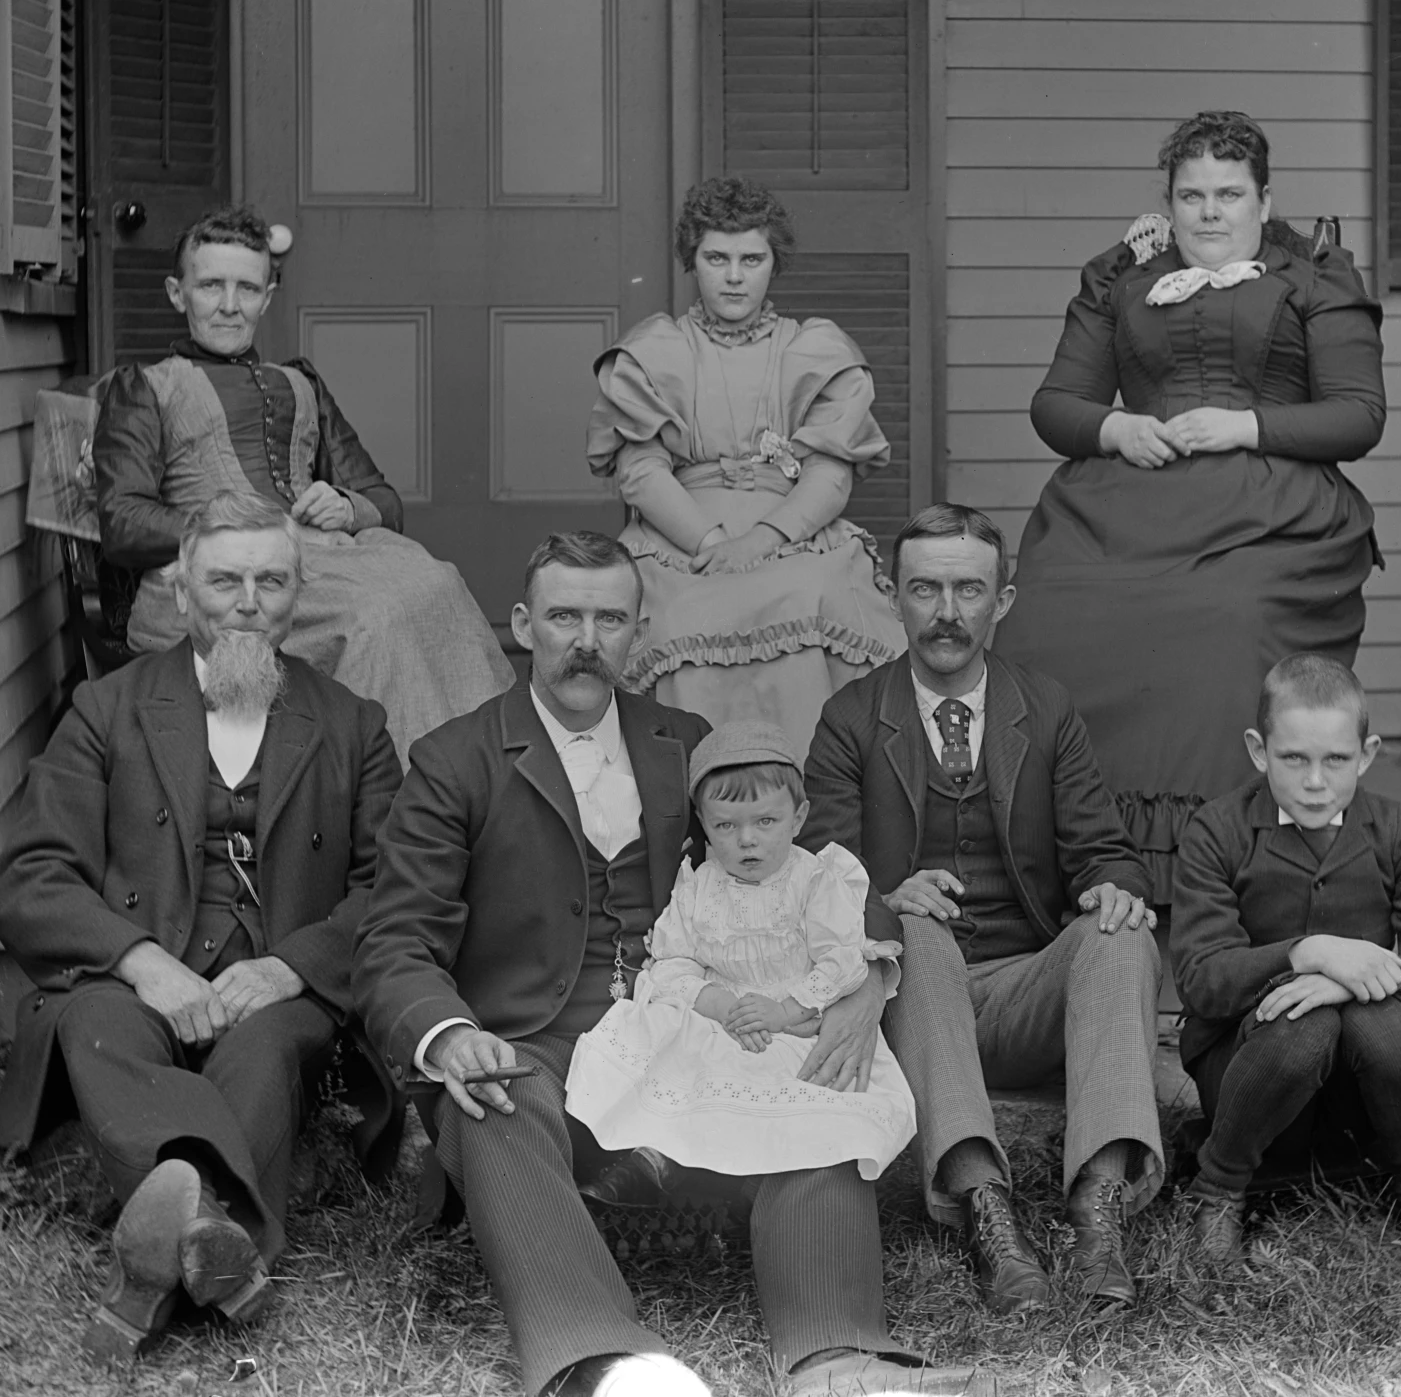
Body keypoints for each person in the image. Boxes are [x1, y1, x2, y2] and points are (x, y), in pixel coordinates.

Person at [354, 532, 992, 1397]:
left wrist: (868, 981)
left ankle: (833, 1356)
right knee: (492, 1094)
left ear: (637, 631)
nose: (587, 638)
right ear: (521, 624)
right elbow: (396, 940)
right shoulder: (454, 759)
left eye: (610, 617)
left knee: (820, 1075)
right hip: (538, 1040)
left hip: (689, 1032)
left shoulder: (684, 743)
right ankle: (606, 1360)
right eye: (564, 615)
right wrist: (450, 1032)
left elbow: (809, 874)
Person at [0, 491, 404, 1367]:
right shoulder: (109, 709)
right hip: (138, 976)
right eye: (224, 580)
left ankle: (164, 1247)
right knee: (93, 1023)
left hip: (272, 985)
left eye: (271, 579)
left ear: (298, 593)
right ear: (183, 595)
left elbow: (392, 883)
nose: (248, 600)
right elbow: (29, 874)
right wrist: (140, 961)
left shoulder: (353, 724)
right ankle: (219, 1235)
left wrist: (294, 966)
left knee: (265, 1048)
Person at [994, 110, 1386, 899]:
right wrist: (1114, 427)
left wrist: (1246, 424)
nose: (1210, 212)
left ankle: (1212, 868)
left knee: (1222, 618)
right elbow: (1054, 403)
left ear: (1265, 202)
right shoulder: (1123, 278)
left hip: (1273, 510)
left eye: (1230, 194)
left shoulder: (1314, 276)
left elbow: (1358, 414)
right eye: (1192, 195)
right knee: (1050, 613)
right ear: (1168, 202)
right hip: (1128, 497)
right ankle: (1078, 854)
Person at [800, 503, 1162, 1316]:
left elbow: (1106, 848)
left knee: (1120, 931)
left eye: (969, 589)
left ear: (1003, 599)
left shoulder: (1045, 708)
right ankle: (986, 1210)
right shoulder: (852, 719)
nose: (948, 612)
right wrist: (888, 897)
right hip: (914, 1003)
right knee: (916, 933)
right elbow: (818, 874)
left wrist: (1112, 885)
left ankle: (1098, 1210)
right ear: (893, 595)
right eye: (926, 589)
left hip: (1025, 988)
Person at [93, 205, 512, 762]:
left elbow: (383, 501)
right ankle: (388, 801)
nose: (228, 305)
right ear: (178, 293)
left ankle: (475, 781)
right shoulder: (147, 388)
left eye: (246, 288)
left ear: (267, 297)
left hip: (323, 563)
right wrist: (263, 531)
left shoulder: (300, 382)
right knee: (374, 614)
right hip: (213, 580)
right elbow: (122, 521)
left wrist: (344, 504)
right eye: (210, 286)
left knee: (437, 582)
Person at [1164, 654, 1401, 1276]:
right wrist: (1307, 954)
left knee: (1381, 1017)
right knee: (1304, 1027)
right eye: (1294, 758)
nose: (1316, 781)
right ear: (1259, 751)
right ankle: (1220, 1189)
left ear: (1367, 754)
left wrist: (1346, 981)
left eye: (1336, 760)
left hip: (1358, 1093)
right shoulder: (1217, 832)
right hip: (1250, 1069)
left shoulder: (1394, 830)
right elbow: (1201, 977)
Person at [587, 175, 905, 764]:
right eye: (717, 258)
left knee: (818, 593)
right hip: (681, 535)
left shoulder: (812, 349)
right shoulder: (656, 351)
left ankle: (815, 793)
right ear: (693, 261)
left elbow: (830, 474)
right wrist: (709, 541)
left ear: (772, 263)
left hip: (789, 529)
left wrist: (764, 539)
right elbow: (641, 470)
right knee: (679, 612)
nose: (734, 276)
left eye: (751, 259)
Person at [563, 721, 916, 1191]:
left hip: (794, 1024)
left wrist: (785, 1008)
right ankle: (653, 1162)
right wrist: (719, 1005)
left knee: (792, 1086)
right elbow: (671, 963)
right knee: (679, 1053)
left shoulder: (813, 881)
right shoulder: (699, 885)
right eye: (725, 826)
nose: (746, 840)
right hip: (722, 1019)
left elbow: (842, 961)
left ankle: (751, 1177)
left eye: (765, 822)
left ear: (798, 817)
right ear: (705, 824)